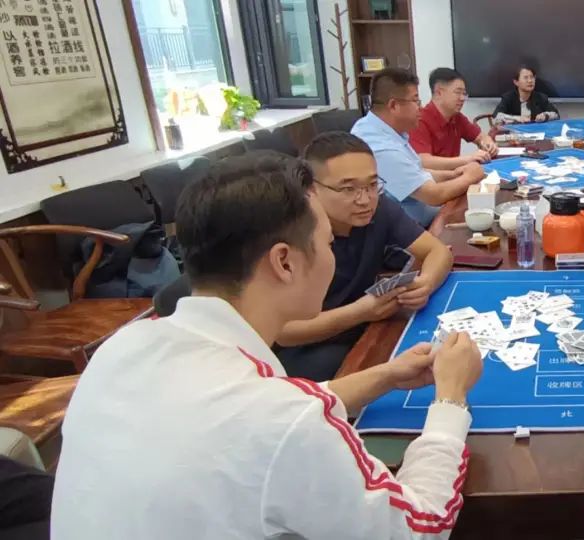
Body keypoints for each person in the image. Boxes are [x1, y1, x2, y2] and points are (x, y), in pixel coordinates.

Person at [51, 152, 484, 539]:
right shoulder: (282, 421)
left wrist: (385, 376)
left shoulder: (120, 348)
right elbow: (418, 528)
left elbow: (254, 415)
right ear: (284, 261)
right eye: (326, 244)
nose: (331, 256)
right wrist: (450, 398)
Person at [274, 133, 453, 381]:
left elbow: (438, 251)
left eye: (371, 185)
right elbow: (283, 332)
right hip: (309, 348)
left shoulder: (380, 209)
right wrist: (360, 312)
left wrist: (426, 284)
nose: (365, 200)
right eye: (348, 189)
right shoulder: (290, 234)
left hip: (366, 322)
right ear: (311, 189)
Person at [352, 68, 486, 227]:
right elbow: (433, 195)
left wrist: (453, 174)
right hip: (409, 231)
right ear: (394, 105)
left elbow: (417, 171)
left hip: (426, 216)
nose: (419, 108)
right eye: (415, 101)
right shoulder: (380, 148)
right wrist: (470, 177)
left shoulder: (383, 129)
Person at [410, 67, 498, 170]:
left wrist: (488, 143)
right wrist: (467, 159)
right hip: (435, 179)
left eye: (464, 94)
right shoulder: (419, 120)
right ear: (439, 92)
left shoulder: (457, 117)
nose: (462, 98)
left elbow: (480, 136)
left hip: (455, 175)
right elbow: (424, 161)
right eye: (458, 92)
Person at [493, 65, 559, 124]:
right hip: (514, 132)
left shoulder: (540, 97)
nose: (530, 81)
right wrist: (517, 118)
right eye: (526, 78)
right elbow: (497, 116)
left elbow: (556, 114)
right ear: (516, 82)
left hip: (535, 131)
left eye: (532, 77)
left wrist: (545, 115)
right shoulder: (509, 97)